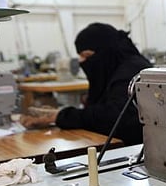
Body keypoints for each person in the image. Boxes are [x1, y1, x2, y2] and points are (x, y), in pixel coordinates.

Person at [20, 23, 151, 144]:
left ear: (105, 51)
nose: (82, 62)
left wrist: (59, 116)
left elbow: (115, 117)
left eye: (87, 56)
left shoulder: (132, 71)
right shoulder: (114, 68)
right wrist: (60, 114)